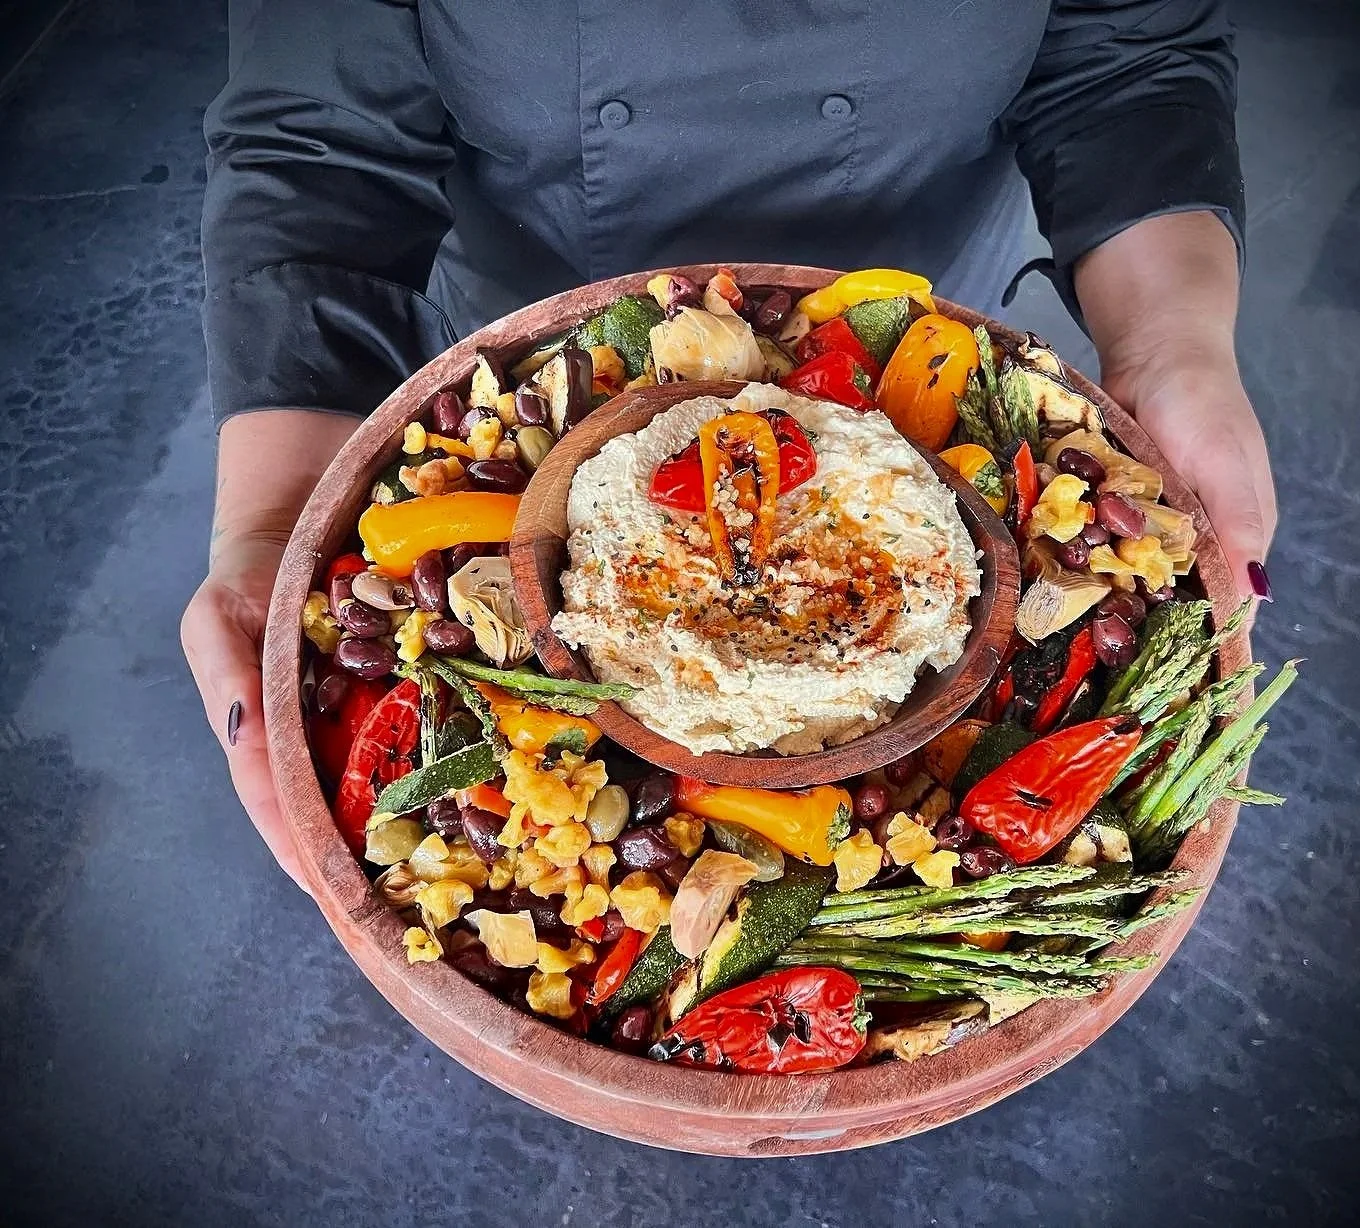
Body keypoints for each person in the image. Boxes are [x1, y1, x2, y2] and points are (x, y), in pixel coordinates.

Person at [182, 0, 1277, 891]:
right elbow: (320, 139)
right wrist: (274, 519)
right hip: (552, 315)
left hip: (913, 310)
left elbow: (1128, 59)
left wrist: (1169, 348)